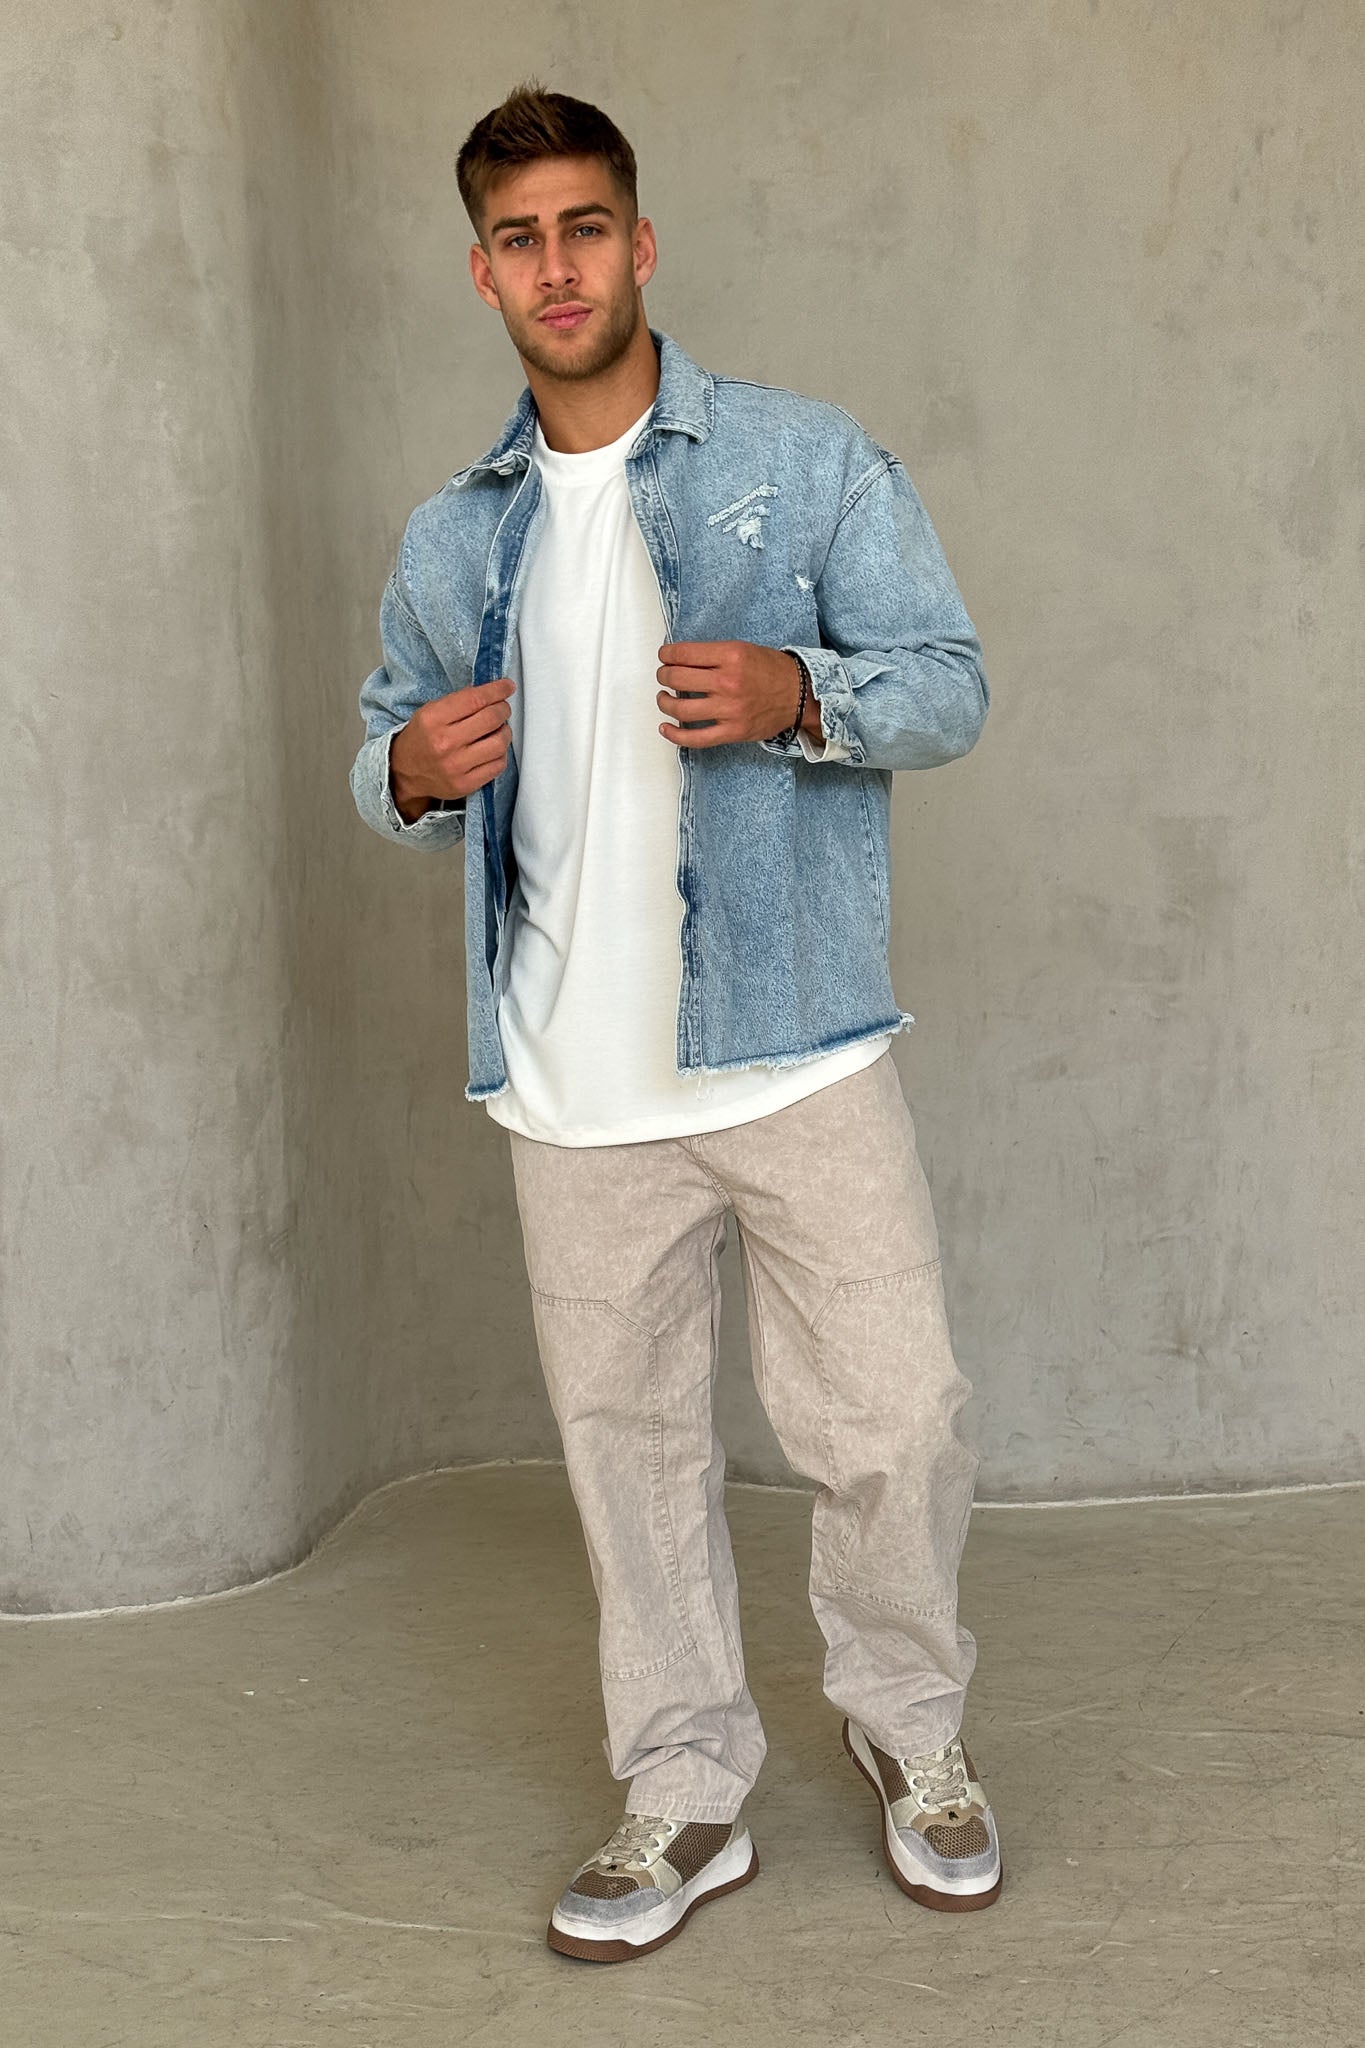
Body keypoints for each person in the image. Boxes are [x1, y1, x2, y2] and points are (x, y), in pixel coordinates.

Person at [349, 80, 1000, 1964]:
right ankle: (685, 1788)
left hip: (795, 1047)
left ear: (639, 245)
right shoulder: (451, 537)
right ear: (482, 275)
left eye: (584, 227)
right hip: (568, 1081)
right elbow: (382, 751)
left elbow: (948, 685)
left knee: (894, 1420)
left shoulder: (803, 461)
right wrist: (406, 770)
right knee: (627, 1459)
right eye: (518, 239)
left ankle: (912, 1732)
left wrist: (800, 691)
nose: (556, 266)